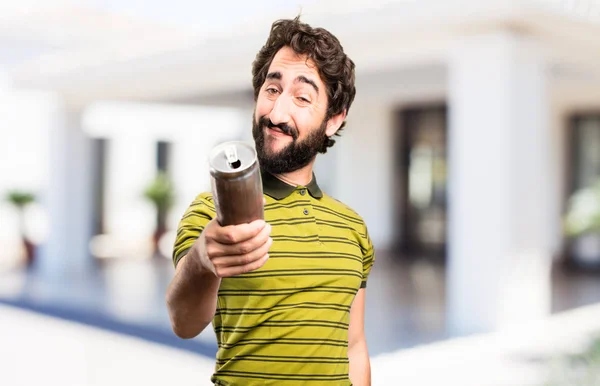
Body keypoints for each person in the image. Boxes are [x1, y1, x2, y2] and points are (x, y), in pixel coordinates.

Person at [166, 16, 375, 386]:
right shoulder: (212, 212)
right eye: (272, 89)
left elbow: (354, 347)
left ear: (333, 119)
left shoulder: (352, 228)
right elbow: (183, 323)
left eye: (302, 97)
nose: (277, 113)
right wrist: (202, 258)